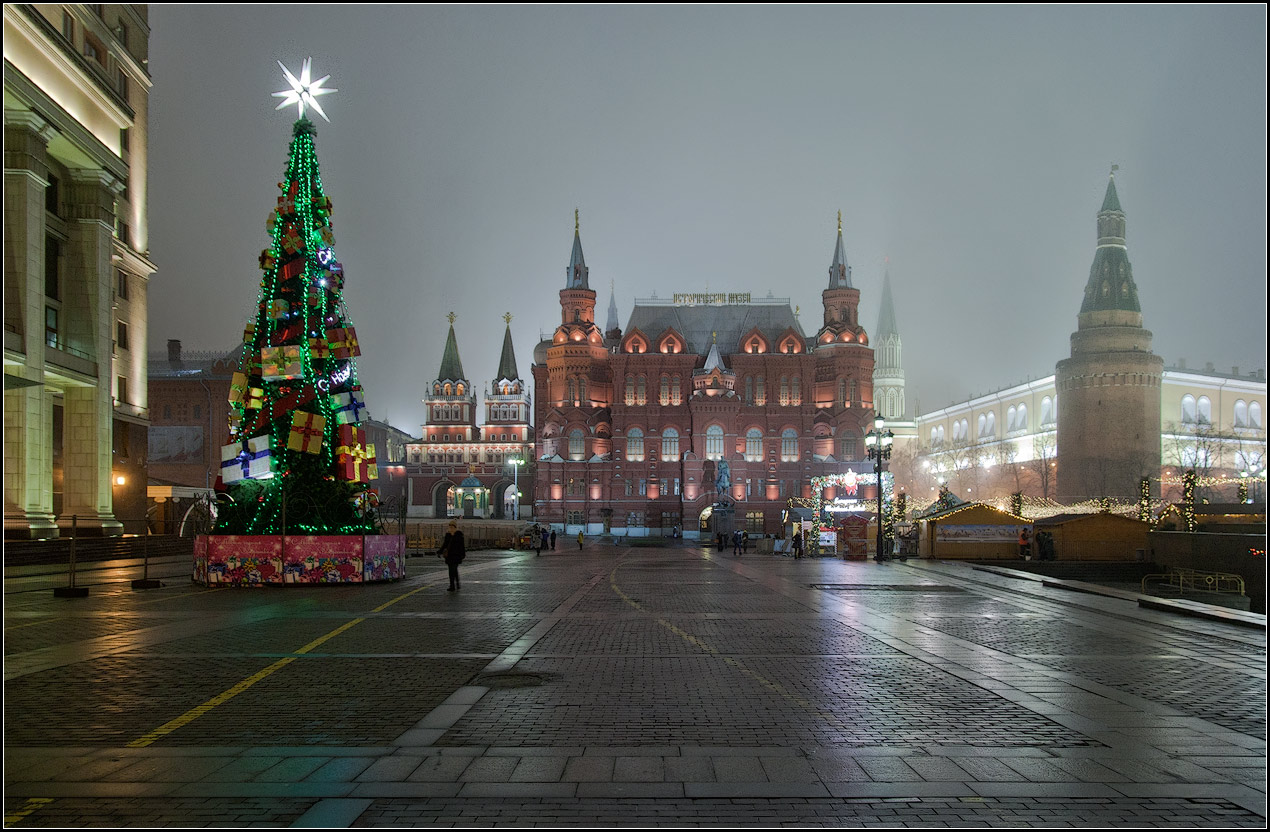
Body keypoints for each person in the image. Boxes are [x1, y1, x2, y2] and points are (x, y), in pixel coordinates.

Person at [438, 521, 465, 591]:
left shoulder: (459, 535)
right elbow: (445, 544)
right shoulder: (448, 535)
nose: (451, 528)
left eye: (452, 526)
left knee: (452, 570)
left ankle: (452, 586)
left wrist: (462, 554)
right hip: (449, 556)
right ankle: (457, 584)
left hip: (456, 556)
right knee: (454, 570)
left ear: (455, 527)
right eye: (450, 526)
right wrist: (439, 552)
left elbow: (462, 546)